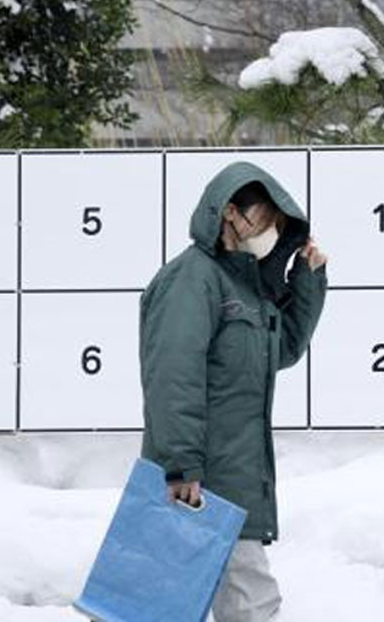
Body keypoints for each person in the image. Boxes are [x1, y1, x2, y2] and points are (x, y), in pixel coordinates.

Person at [138, 161, 328, 622]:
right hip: (202, 479)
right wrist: (181, 465)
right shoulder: (193, 278)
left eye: (279, 227)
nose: (270, 233)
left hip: (235, 473)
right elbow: (173, 375)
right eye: (266, 221)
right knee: (247, 602)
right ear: (229, 213)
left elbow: (280, 350)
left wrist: (306, 281)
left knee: (194, 603)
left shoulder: (244, 287)